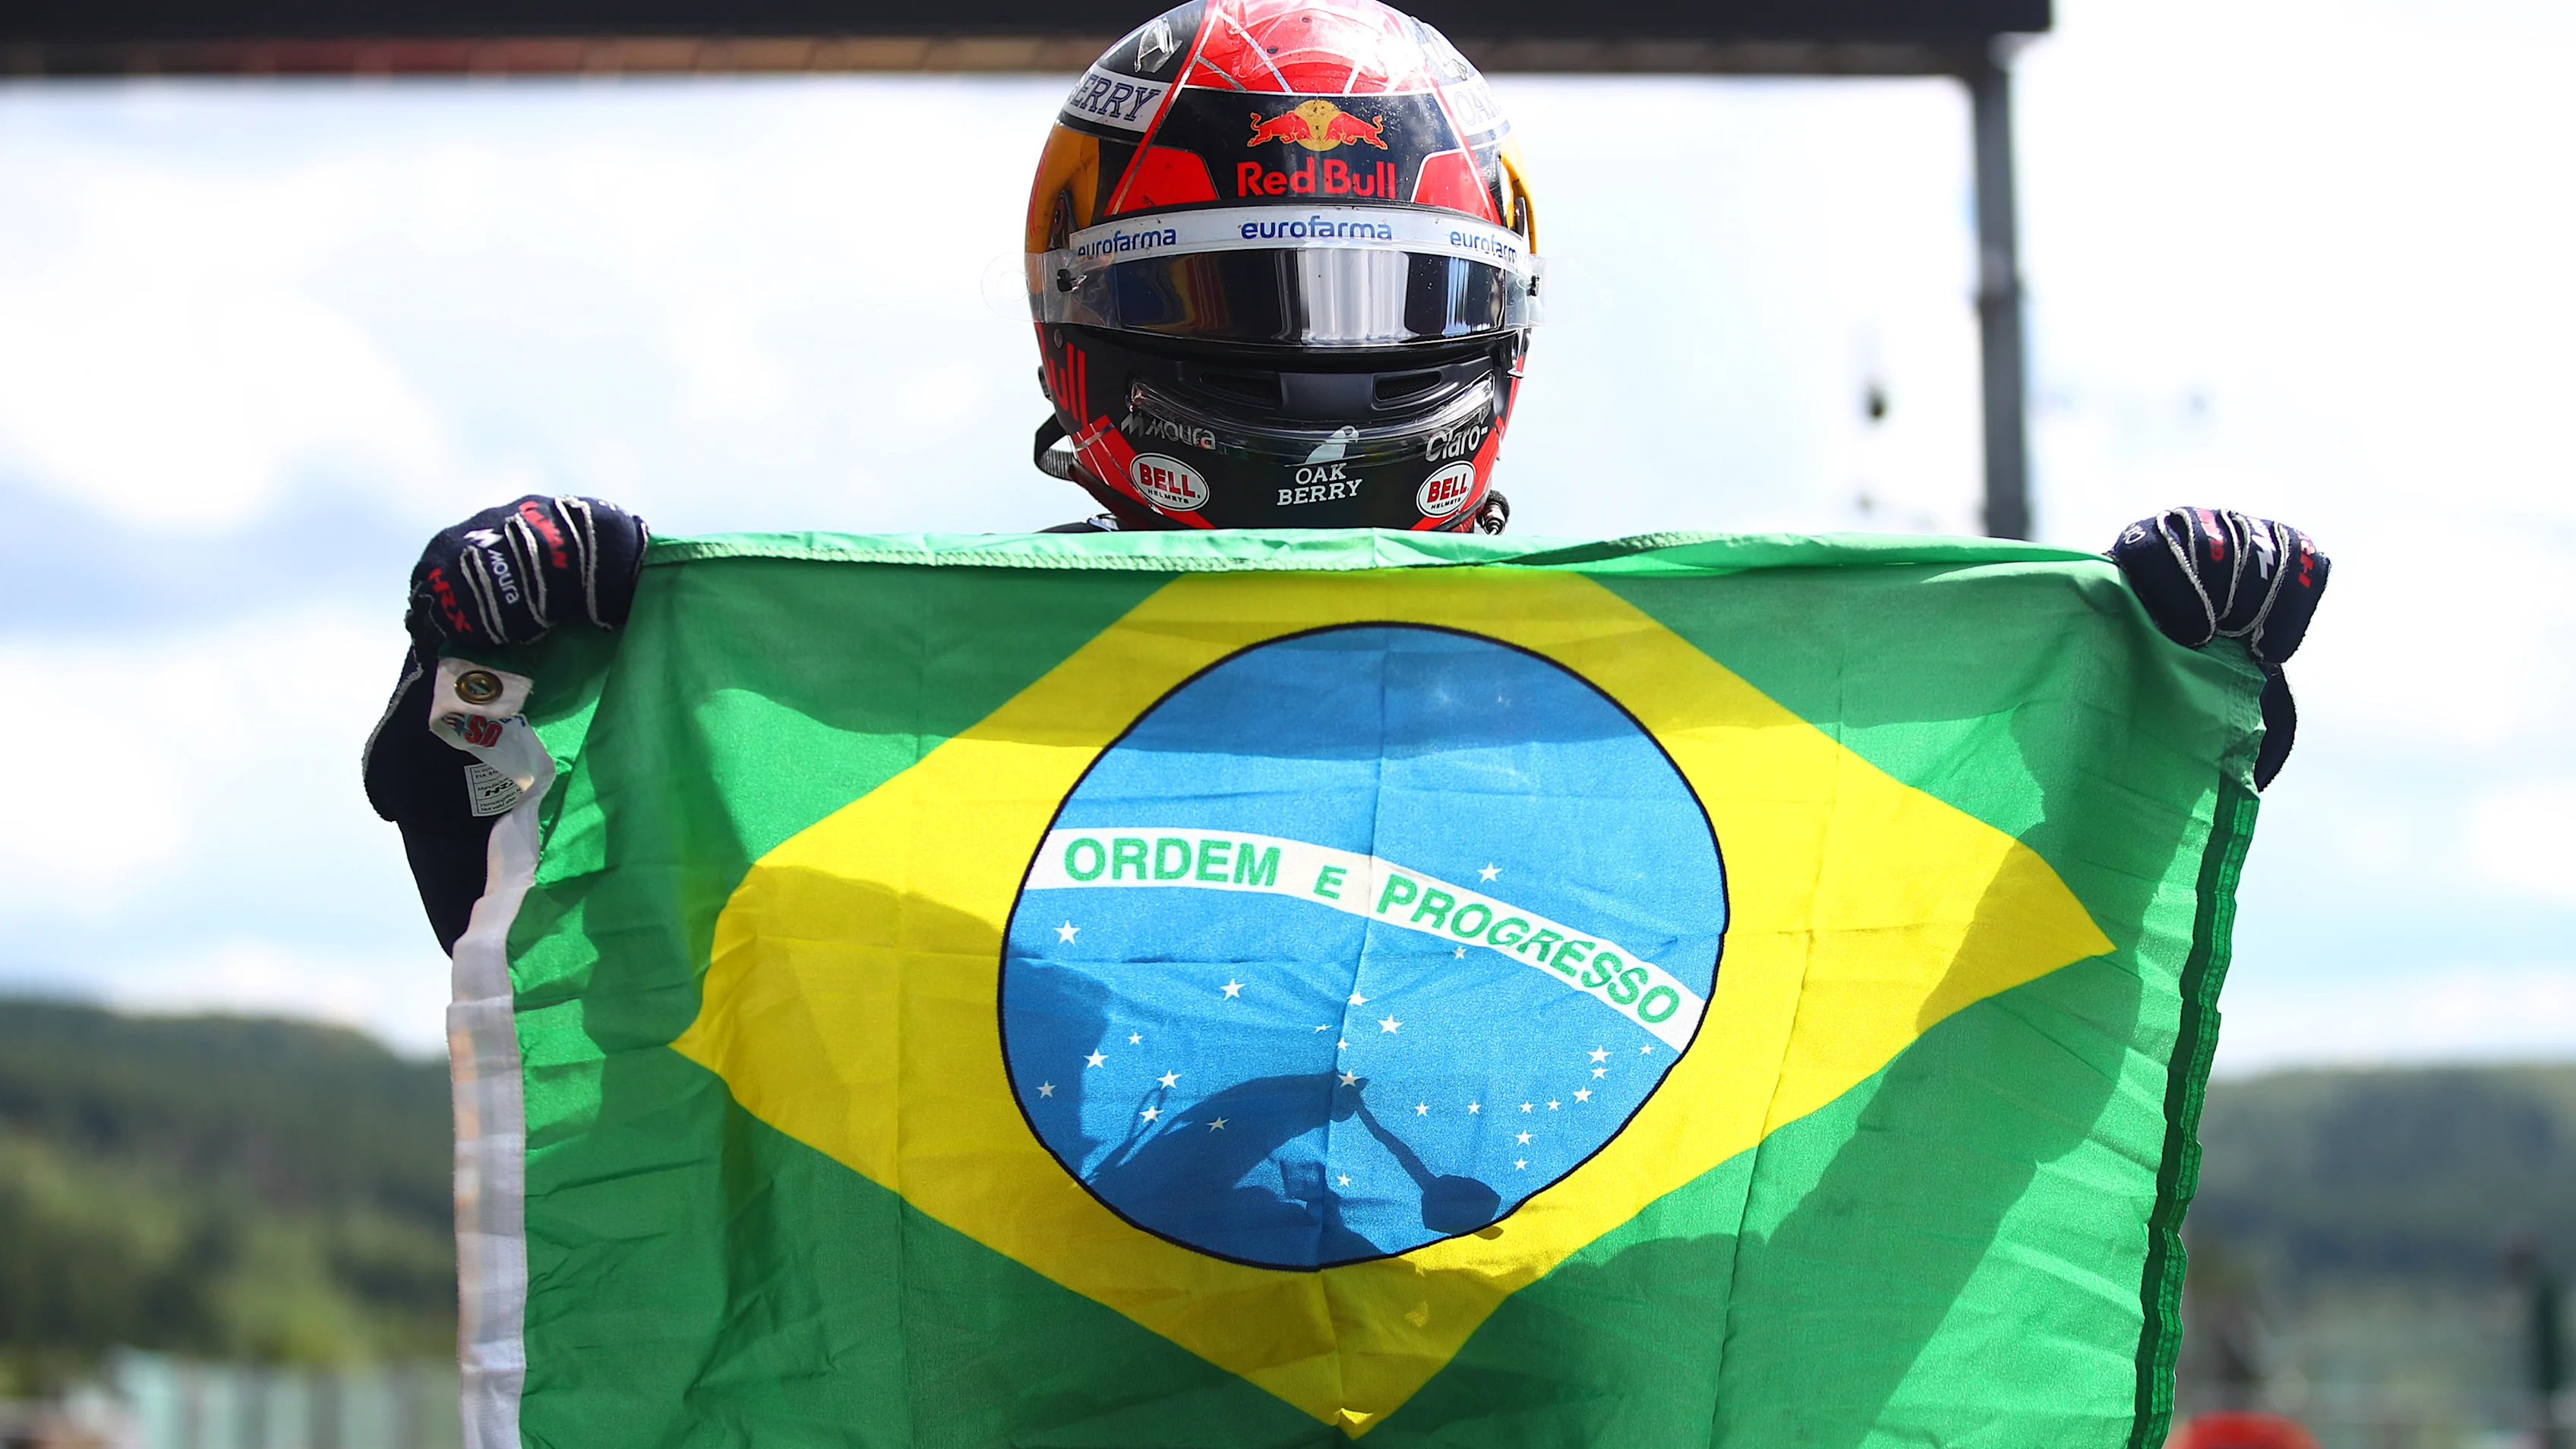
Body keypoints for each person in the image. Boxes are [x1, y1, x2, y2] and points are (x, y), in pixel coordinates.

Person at [364, 0, 2328, 951]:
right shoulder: (913, 719)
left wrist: (2162, 706)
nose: (1323, 361)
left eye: (1392, 300)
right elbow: (567, 964)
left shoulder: (1654, 706)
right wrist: (481, 692)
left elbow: (1979, 961)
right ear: (1083, 324)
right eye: (1241, 297)